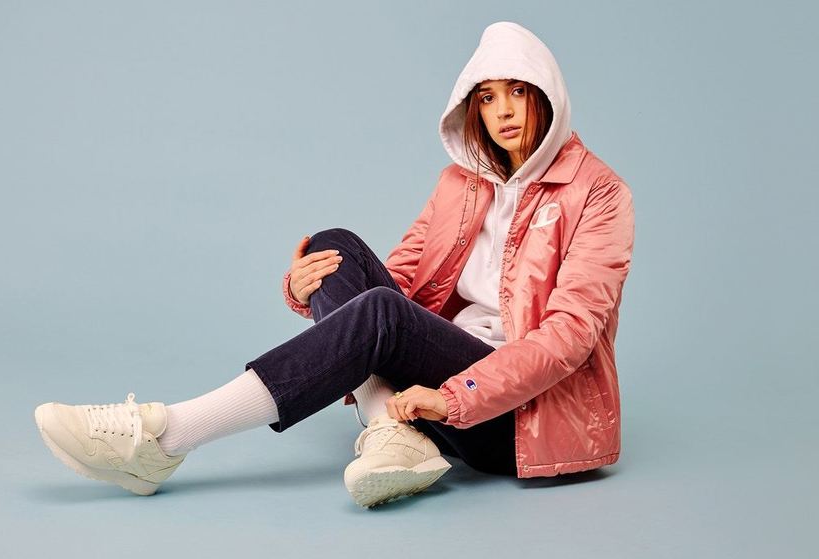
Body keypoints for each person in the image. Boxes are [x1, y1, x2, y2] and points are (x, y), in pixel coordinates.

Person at [33, 20, 635, 508]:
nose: (504, 111)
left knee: (382, 315)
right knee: (335, 245)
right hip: (435, 380)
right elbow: (399, 282)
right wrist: (301, 291)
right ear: (472, 108)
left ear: (547, 95)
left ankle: (166, 435)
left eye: (518, 92)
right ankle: (391, 432)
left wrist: (454, 399)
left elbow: (569, 336)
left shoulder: (599, 192)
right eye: (487, 97)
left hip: (519, 419)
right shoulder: (461, 183)